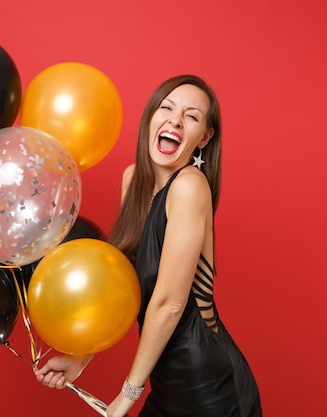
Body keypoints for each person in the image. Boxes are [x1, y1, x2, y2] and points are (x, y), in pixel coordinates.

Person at [35, 74, 262, 417]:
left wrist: (128, 395)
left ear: (204, 137)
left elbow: (170, 303)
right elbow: (124, 288)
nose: (175, 119)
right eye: (167, 107)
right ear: (152, 117)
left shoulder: (190, 186)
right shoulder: (133, 182)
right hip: (165, 384)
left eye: (191, 116)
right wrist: (80, 358)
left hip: (209, 387)